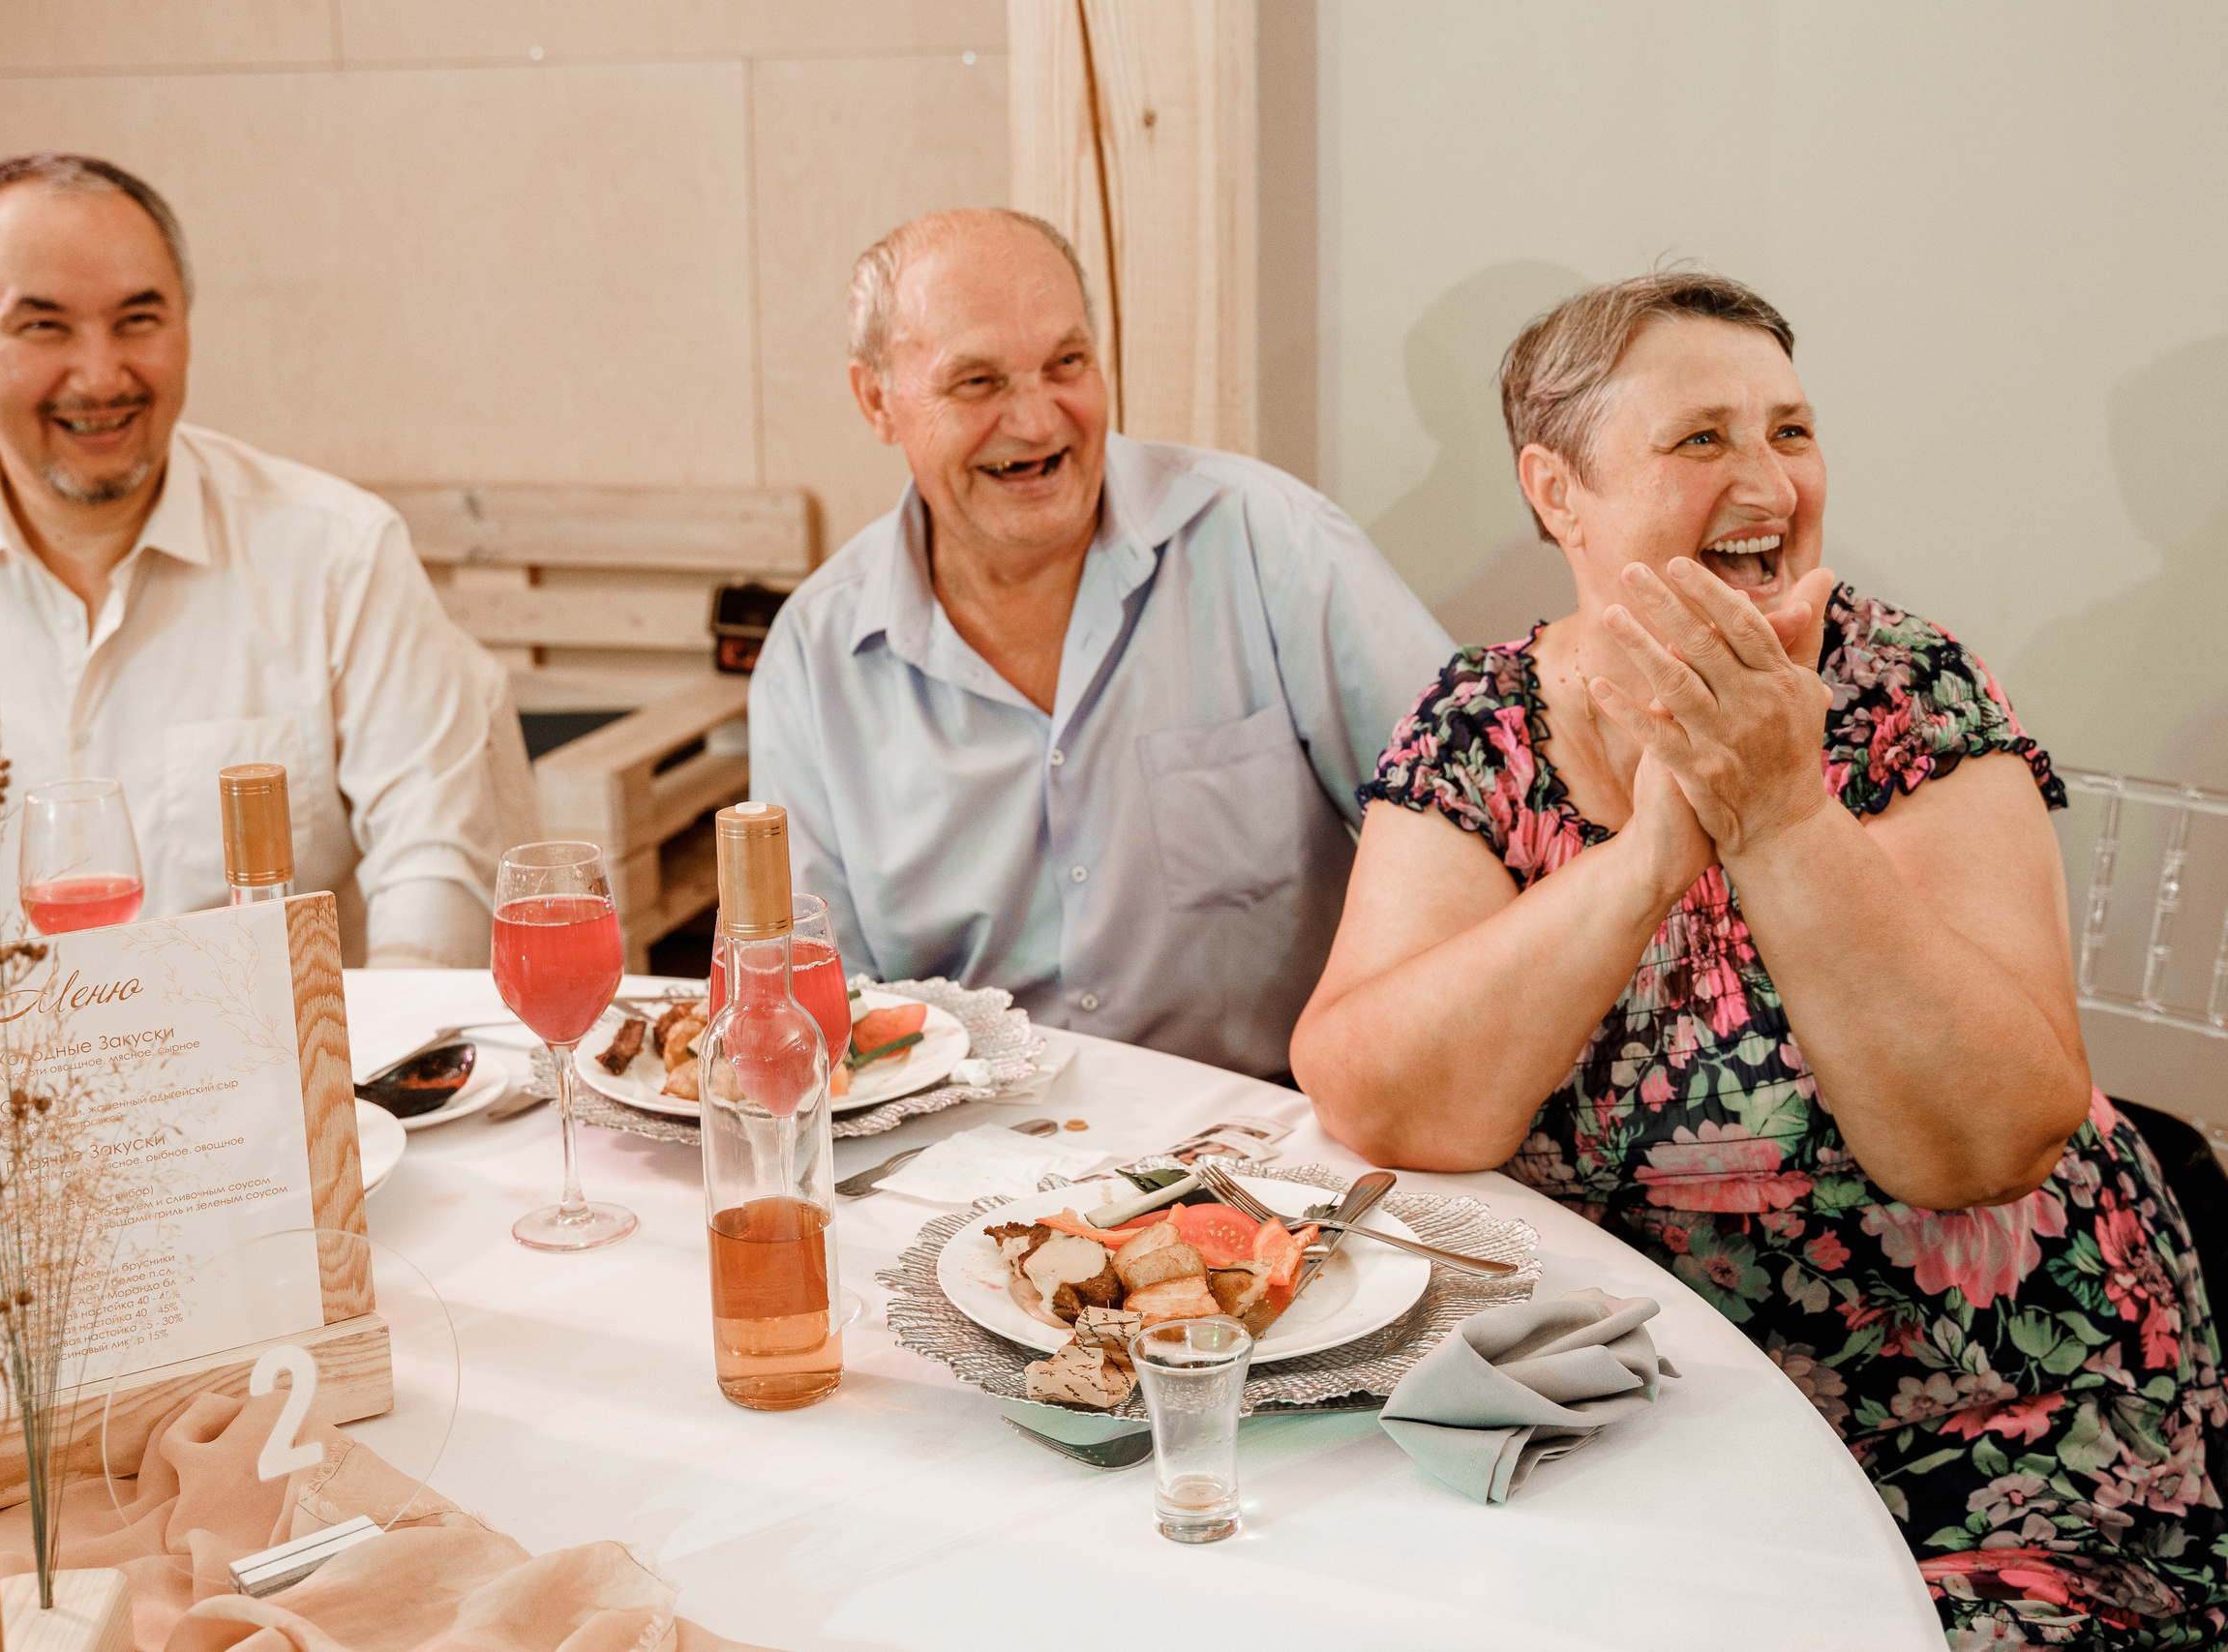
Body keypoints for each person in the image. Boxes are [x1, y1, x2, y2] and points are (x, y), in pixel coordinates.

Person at [1291, 271, 2225, 1643]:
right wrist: (1650, 856)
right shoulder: (1482, 721)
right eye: (1702, 438)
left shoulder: (1908, 693)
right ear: (1558, 491)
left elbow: (1984, 1144)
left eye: (1791, 431)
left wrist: (1781, 812)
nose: (1771, 482)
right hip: (1635, 1431)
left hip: (1988, 1443)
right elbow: (1384, 1101)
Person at [748, 209, 1453, 1079]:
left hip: (1271, 1133)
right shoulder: (813, 658)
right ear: (876, 400)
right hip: (957, 1139)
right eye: (977, 381)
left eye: (1066, 364)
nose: (1037, 420)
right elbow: (817, 1009)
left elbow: (1469, 826)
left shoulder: (1271, 543)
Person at [0, 154, 535, 965]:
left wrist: (387, 1028)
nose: (101, 376)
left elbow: (434, 867)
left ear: (186, 326)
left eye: (138, 319)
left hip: (268, 1046)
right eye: (44, 326)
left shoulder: (340, 556)